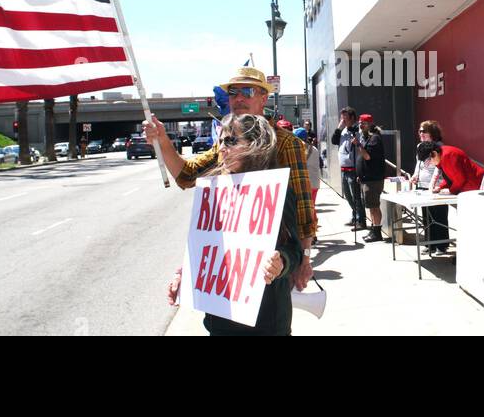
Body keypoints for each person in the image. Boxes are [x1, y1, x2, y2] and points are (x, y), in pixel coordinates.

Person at [144, 66, 316, 290]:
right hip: (234, 263)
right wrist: (163, 140)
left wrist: (303, 258)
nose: (239, 98)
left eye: (248, 91)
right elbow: (187, 176)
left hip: (273, 263)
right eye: (233, 92)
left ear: (264, 98)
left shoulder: (286, 143)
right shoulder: (226, 141)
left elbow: (303, 207)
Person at [166, 114, 303, 336]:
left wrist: (281, 262)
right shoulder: (214, 191)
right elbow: (206, 248)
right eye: (220, 141)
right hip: (219, 320)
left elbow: (295, 250)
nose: (222, 148)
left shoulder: (276, 190)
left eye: (231, 141)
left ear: (256, 145)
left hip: (265, 321)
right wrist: (186, 276)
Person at [414, 140, 484, 254]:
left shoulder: (448, 156)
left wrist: (449, 191)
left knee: (471, 225)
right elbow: (451, 177)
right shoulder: (442, 155)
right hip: (468, 188)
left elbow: (460, 179)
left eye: (429, 160)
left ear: (434, 154)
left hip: (474, 187)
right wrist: (440, 187)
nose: (430, 164)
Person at [409, 121, 445, 253]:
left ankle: (442, 245)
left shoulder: (438, 146)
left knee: (438, 214)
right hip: (422, 185)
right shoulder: (420, 145)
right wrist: (414, 175)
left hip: (435, 186)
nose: (421, 134)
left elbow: (439, 168)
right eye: (420, 131)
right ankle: (430, 243)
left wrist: (434, 185)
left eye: (424, 131)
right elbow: (418, 164)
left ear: (432, 132)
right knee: (426, 216)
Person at [330, 107, 367, 230]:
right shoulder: (343, 130)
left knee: (356, 197)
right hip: (344, 169)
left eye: (344, 117)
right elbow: (334, 141)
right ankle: (355, 216)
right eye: (341, 117)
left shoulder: (357, 130)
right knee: (348, 196)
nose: (342, 120)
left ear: (352, 118)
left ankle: (361, 220)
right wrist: (339, 128)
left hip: (353, 168)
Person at [356, 114, 387, 243]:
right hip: (366, 178)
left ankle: (377, 232)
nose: (360, 125)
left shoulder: (374, 139)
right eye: (360, 123)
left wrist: (358, 144)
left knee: (374, 206)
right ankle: (374, 229)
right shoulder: (367, 138)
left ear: (369, 124)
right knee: (370, 206)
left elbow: (367, 157)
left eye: (362, 123)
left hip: (373, 179)